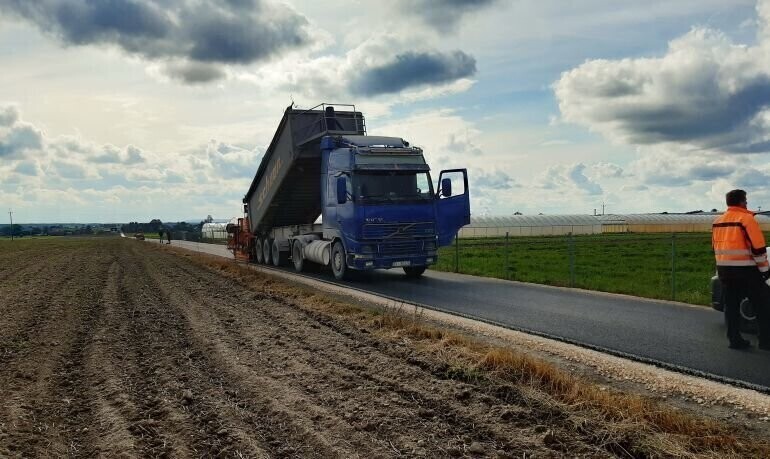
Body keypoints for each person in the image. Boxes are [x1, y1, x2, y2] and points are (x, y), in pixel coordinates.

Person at [712, 189, 770, 350]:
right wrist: (764, 270)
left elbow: (715, 245)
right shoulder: (746, 219)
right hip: (746, 270)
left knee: (731, 306)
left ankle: (734, 340)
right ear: (741, 202)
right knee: (762, 304)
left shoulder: (717, 221)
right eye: (745, 200)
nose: (747, 203)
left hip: (725, 270)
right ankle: (765, 341)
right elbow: (758, 248)